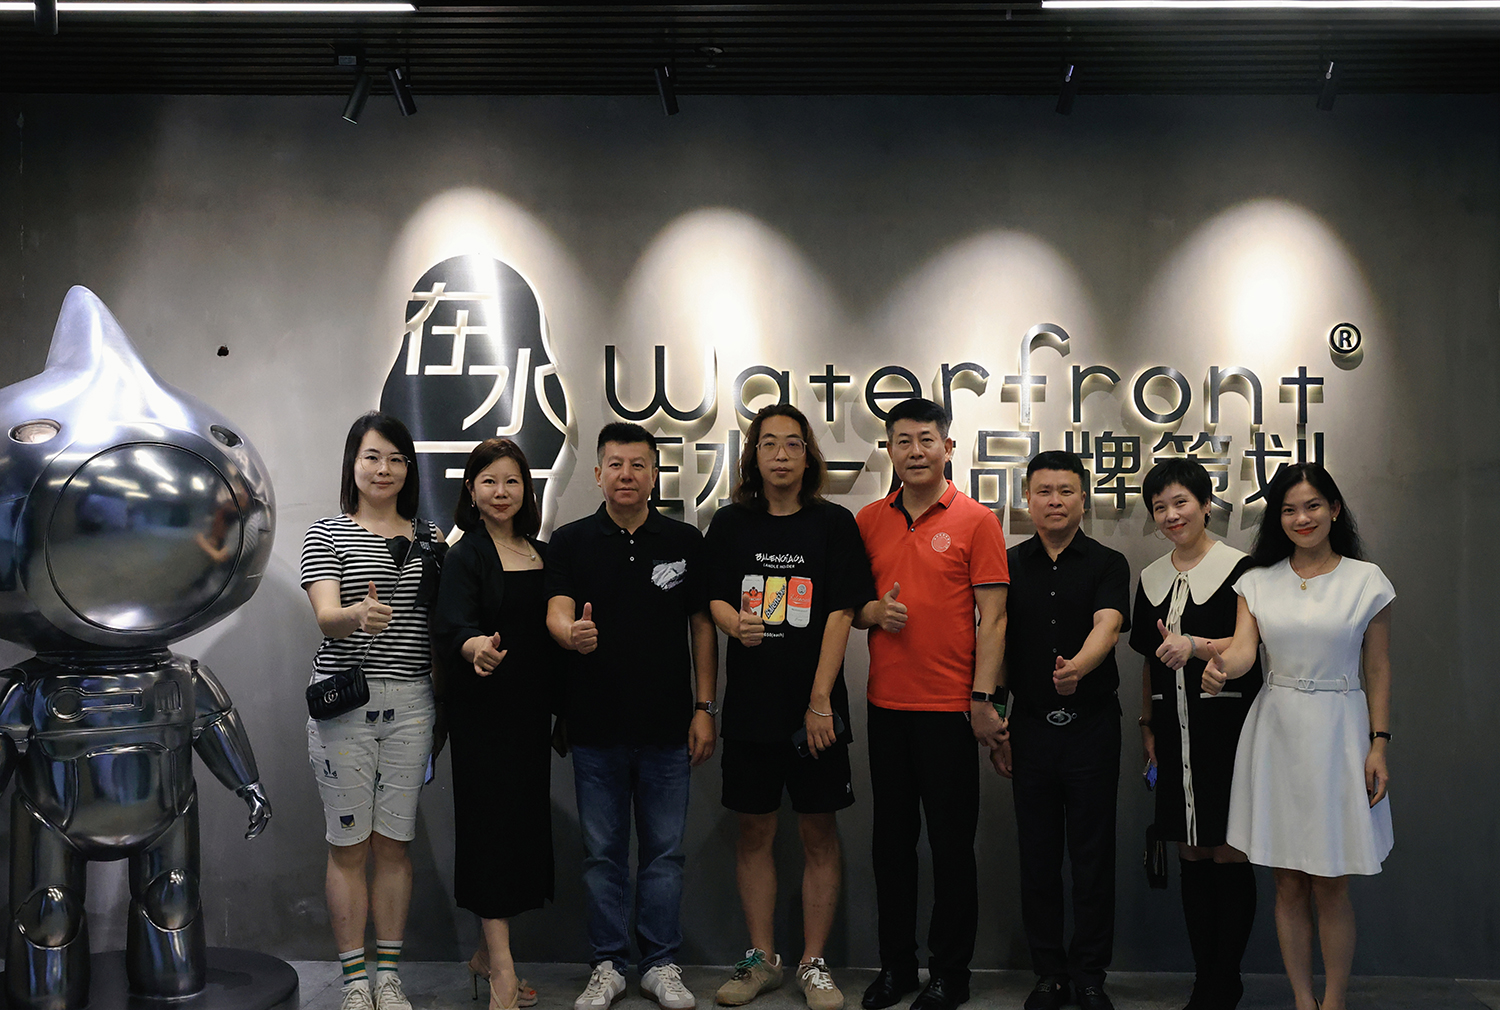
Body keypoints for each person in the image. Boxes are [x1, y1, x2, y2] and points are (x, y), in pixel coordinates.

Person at [1205, 463, 1394, 1010]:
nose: (1301, 518)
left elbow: (1378, 668)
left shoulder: (1367, 580)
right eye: (1288, 509)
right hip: (1277, 733)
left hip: (1341, 733)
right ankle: (1302, 1001)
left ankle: (1333, 1003)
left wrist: (1379, 742)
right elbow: (1245, 652)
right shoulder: (1257, 581)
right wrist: (1220, 667)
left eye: (1312, 506)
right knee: (1288, 880)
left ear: (1334, 509)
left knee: (1332, 880)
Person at [705, 405, 875, 1010]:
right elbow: (713, 597)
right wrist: (734, 622)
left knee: (818, 831)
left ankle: (814, 963)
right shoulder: (730, 523)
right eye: (769, 444)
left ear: (809, 456)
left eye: (793, 444)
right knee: (753, 831)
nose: (780, 455)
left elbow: (842, 611)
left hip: (816, 713)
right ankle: (763, 959)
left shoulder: (833, 523)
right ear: (752, 455)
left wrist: (820, 700)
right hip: (751, 709)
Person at [545, 422, 718, 1010]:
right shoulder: (569, 541)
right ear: (598, 474)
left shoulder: (684, 540)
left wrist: (704, 708)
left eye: (638, 465)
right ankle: (608, 964)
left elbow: (701, 626)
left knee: (665, 853)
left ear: (654, 474)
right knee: (603, 855)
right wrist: (570, 633)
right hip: (595, 728)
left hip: (669, 728)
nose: (627, 475)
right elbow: (556, 609)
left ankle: (660, 963)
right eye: (615, 464)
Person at [853, 398, 1008, 1010]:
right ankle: (896, 968)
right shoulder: (868, 520)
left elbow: (994, 618)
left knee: (950, 848)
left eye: (925, 439)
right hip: (886, 706)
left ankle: (951, 974)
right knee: (890, 847)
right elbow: (851, 608)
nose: (914, 451)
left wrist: (983, 698)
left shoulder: (977, 521)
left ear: (948, 446)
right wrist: (873, 611)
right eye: (902, 440)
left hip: (949, 710)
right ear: (888, 449)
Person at [302, 413, 443, 1010]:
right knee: (348, 846)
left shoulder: (433, 538)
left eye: (395, 459)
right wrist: (356, 616)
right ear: (353, 464)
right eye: (372, 457)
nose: (383, 469)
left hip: (412, 703)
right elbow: (326, 617)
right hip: (345, 704)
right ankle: (355, 982)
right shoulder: (327, 533)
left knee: (394, 845)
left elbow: (442, 623)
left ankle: (388, 976)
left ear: (409, 468)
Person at [992, 450, 1130, 1010]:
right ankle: (1048, 973)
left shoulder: (1108, 562)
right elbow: (996, 642)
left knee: (1093, 857)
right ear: (1027, 499)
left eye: (1066, 491)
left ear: (1083, 499)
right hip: (1029, 729)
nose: (1055, 501)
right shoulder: (1006, 563)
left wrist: (1079, 667)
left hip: (1092, 728)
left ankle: (1090, 975)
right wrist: (996, 717)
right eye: (1044, 491)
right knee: (1038, 856)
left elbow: (1109, 625)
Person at [432, 438, 560, 1010]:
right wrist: (475, 648)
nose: (501, 492)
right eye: (489, 481)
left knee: (520, 837)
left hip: (530, 716)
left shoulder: (543, 553)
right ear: (471, 489)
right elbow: (451, 625)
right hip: (483, 717)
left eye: (511, 481)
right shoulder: (465, 556)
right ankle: (502, 973)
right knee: (489, 837)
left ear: (526, 489)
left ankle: (486, 957)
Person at [1129, 459, 1261, 1010]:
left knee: (1228, 851)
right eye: (1159, 507)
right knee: (1190, 851)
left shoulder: (1242, 570)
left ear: (1207, 504)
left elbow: (1253, 644)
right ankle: (1206, 978)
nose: (1170, 515)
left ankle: (1225, 980)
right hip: (1172, 730)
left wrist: (1200, 647)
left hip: (1228, 728)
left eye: (1180, 502)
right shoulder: (1150, 578)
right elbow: (1148, 661)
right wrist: (1147, 725)